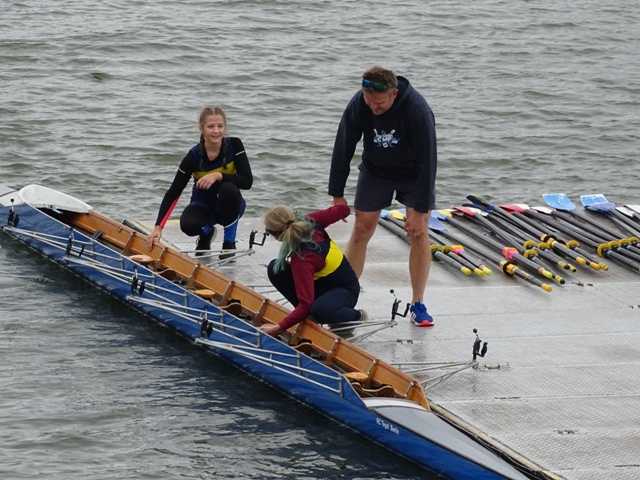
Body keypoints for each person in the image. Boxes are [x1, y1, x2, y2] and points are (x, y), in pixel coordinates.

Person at [328, 66, 437, 327]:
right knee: (361, 228)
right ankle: (345, 298)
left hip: (413, 173)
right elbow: (343, 146)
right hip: (376, 170)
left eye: (379, 104)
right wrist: (337, 192)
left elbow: (428, 162)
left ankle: (418, 303)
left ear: (393, 94)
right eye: (369, 103)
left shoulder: (417, 110)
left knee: (418, 232)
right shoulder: (359, 104)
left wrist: (420, 211)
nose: (373, 108)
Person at [146, 106, 253, 259]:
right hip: (203, 204)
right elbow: (173, 193)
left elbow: (247, 181)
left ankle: (229, 243)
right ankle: (207, 233)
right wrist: (158, 227)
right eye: (210, 126)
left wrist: (218, 175)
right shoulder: (193, 157)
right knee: (188, 225)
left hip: (231, 205)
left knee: (227, 188)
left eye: (220, 126)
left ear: (225, 127)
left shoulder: (235, 145)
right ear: (201, 128)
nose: (216, 131)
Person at [259, 204, 367, 337]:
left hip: (345, 290)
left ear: (277, 236)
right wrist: (341, 204)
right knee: (275, 269)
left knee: (320, 311)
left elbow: (305, 304)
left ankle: (357, 316)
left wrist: (277, 328)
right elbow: (343, 209)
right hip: (321, 283)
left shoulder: (302, 259)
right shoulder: (310, 220)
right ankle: (308, 315)